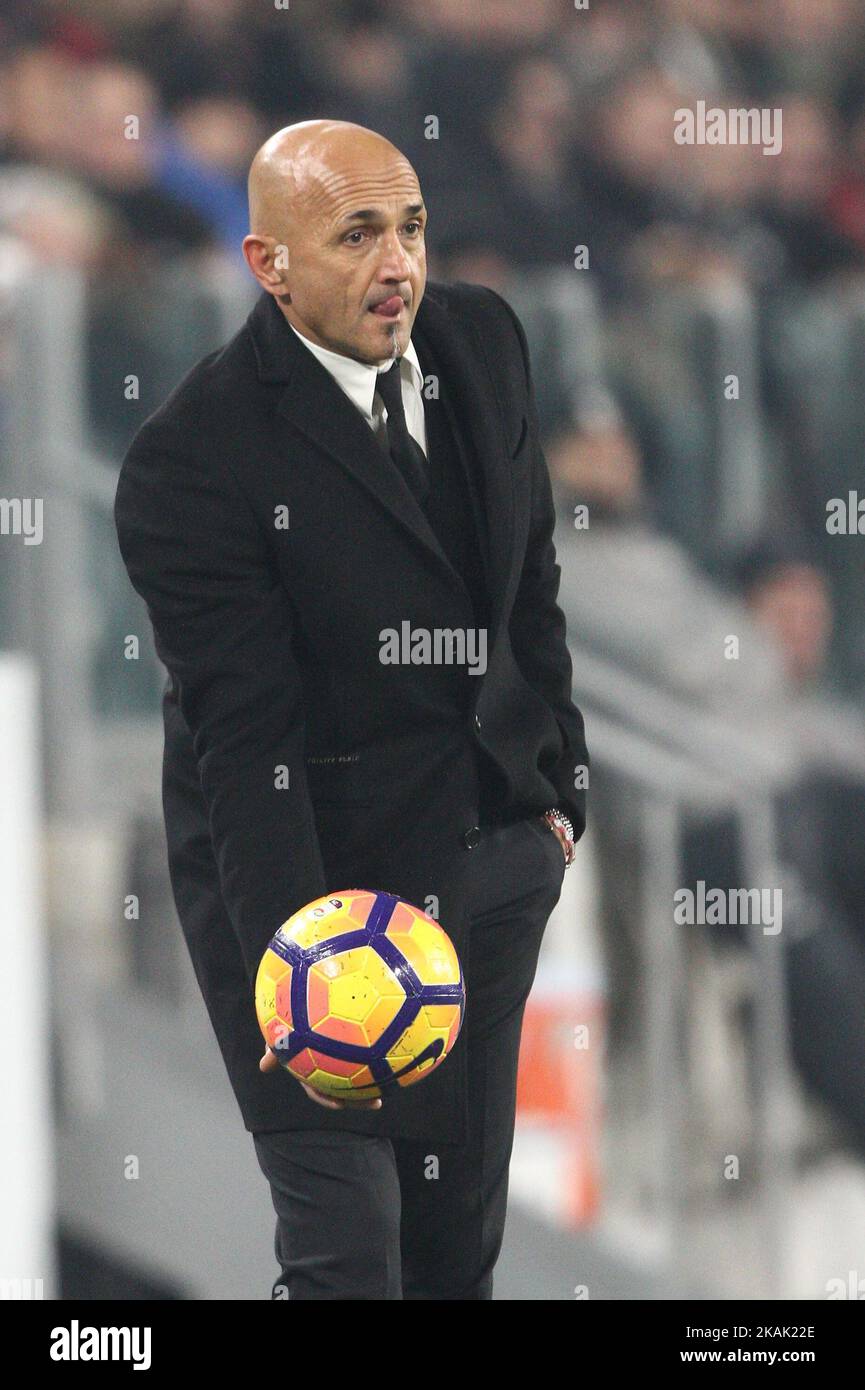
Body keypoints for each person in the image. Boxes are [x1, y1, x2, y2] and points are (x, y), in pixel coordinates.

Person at [114, 118, 589, 1300]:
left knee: (447, 1261)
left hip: (482, 863)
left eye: (413, 227)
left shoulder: (482, 339)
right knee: (347, 1258)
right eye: (359, 234)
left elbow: (528, 582)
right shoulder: (194, 459)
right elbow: (244, 742)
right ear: (268, 265)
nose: (401, 265)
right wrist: (302, 966)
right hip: (307, 891)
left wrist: (557, 792)